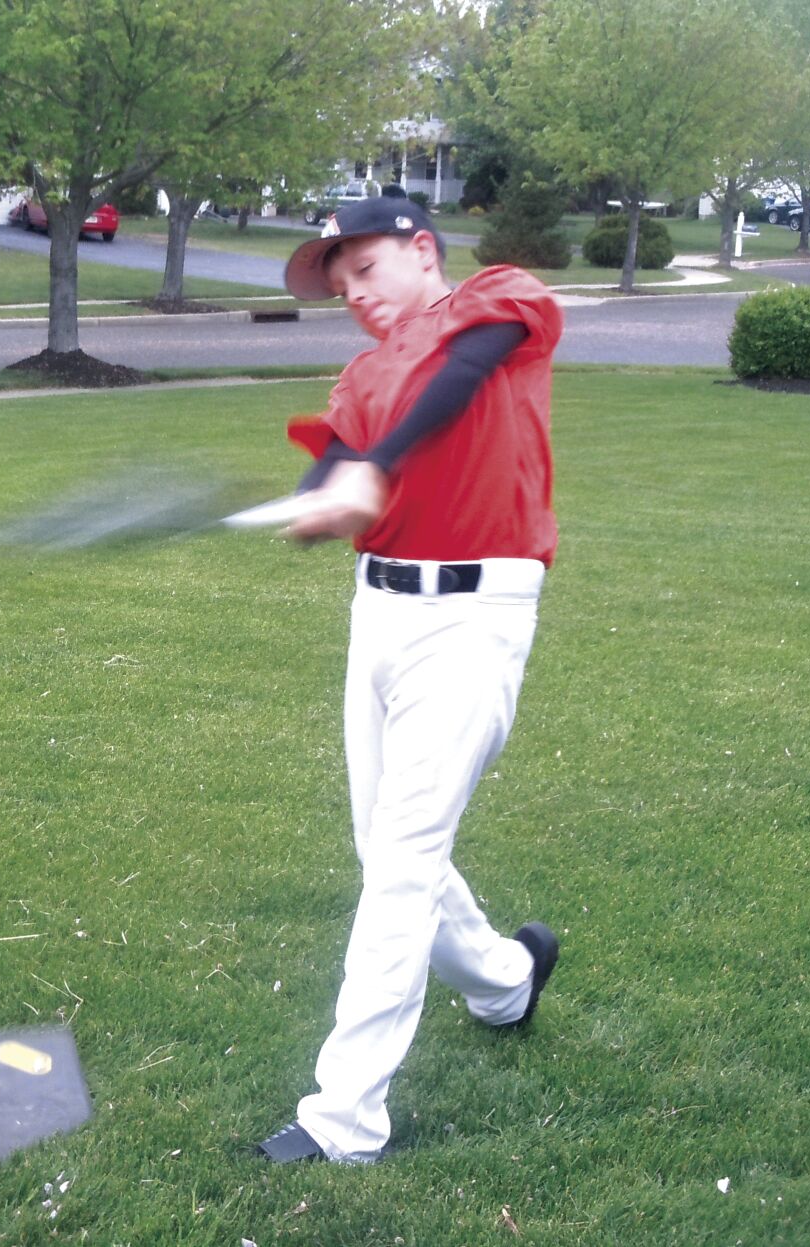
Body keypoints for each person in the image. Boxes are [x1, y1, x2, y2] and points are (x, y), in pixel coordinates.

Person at [257, 198, 564, 1164]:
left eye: (366, 270)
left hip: (474, 614)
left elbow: (460, 382)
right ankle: (506, 979)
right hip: (381, 614)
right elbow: (338, 464)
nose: (355, 296)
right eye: (340, 286)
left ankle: (343, 1118)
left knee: (400, 862)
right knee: (383, 844)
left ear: (422, 250)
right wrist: (318, 500)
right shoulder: (363, 374)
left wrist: (375, 468)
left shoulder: (500, 300)